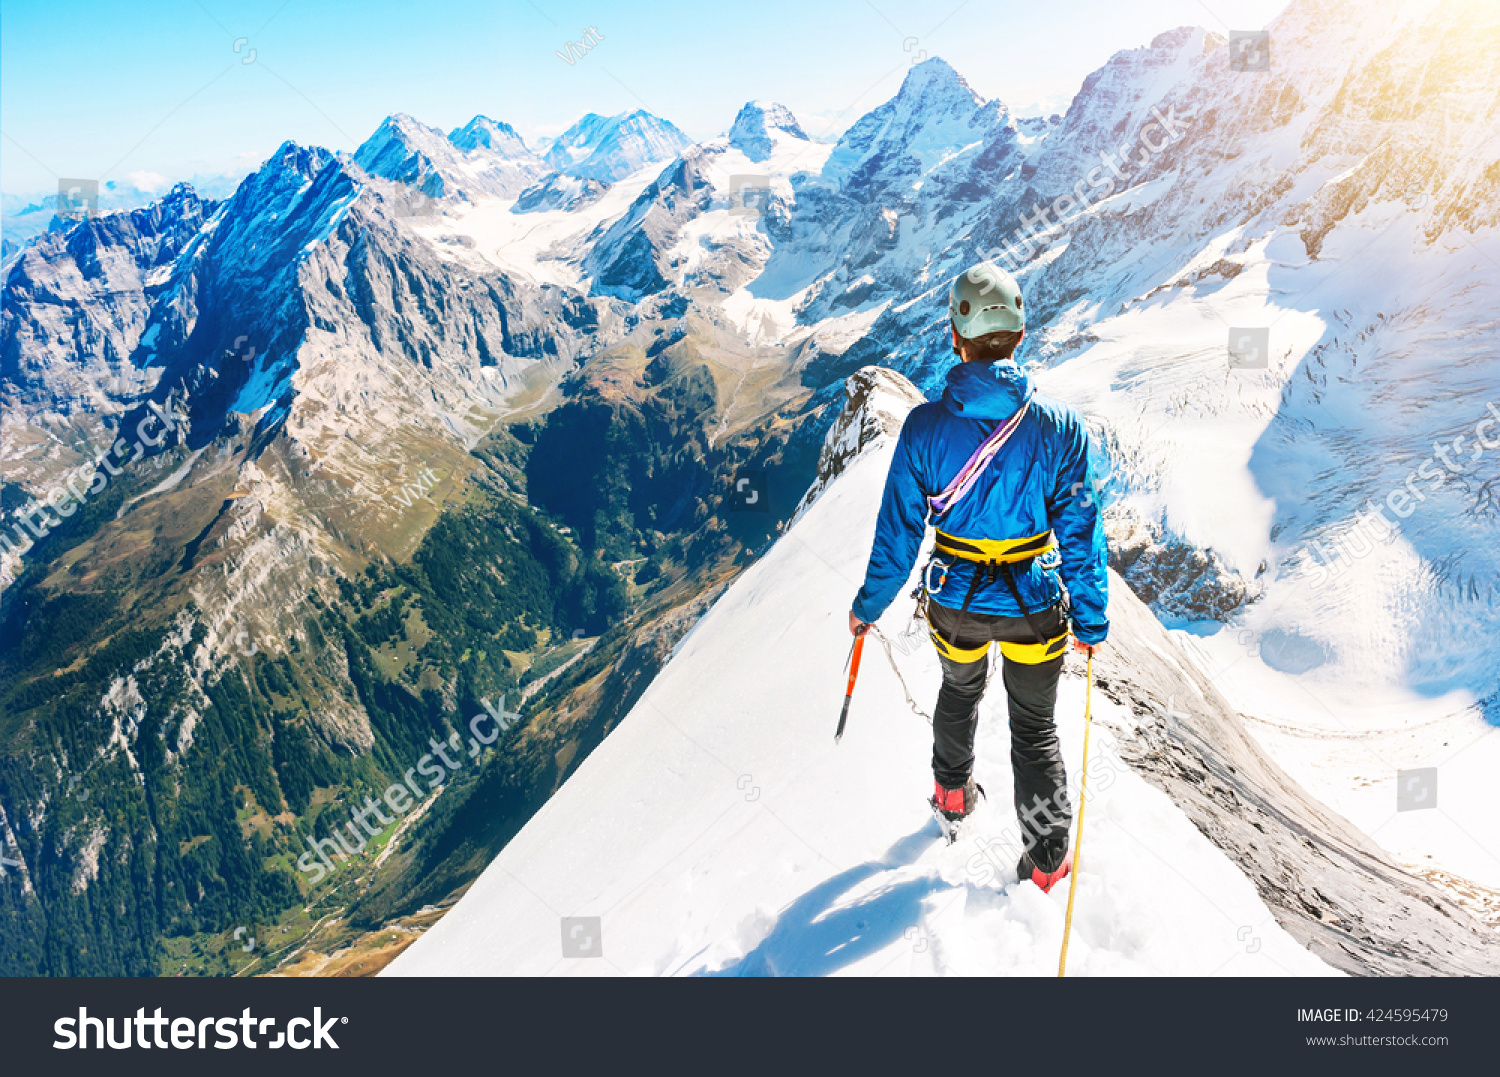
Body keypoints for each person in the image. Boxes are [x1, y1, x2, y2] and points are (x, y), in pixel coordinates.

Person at [848, 261, 1109, 893]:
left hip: (955, 604)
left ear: (956, 338)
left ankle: (952, 795)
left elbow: (899, 534)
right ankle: (1046, 862)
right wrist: (1092, 619)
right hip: (1035, 606)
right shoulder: (1059, 429)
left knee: (960, 694)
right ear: (1020, 335)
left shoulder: (923, 430)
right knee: (1034, 726)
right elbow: (1081, 532)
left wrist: (868, 605)